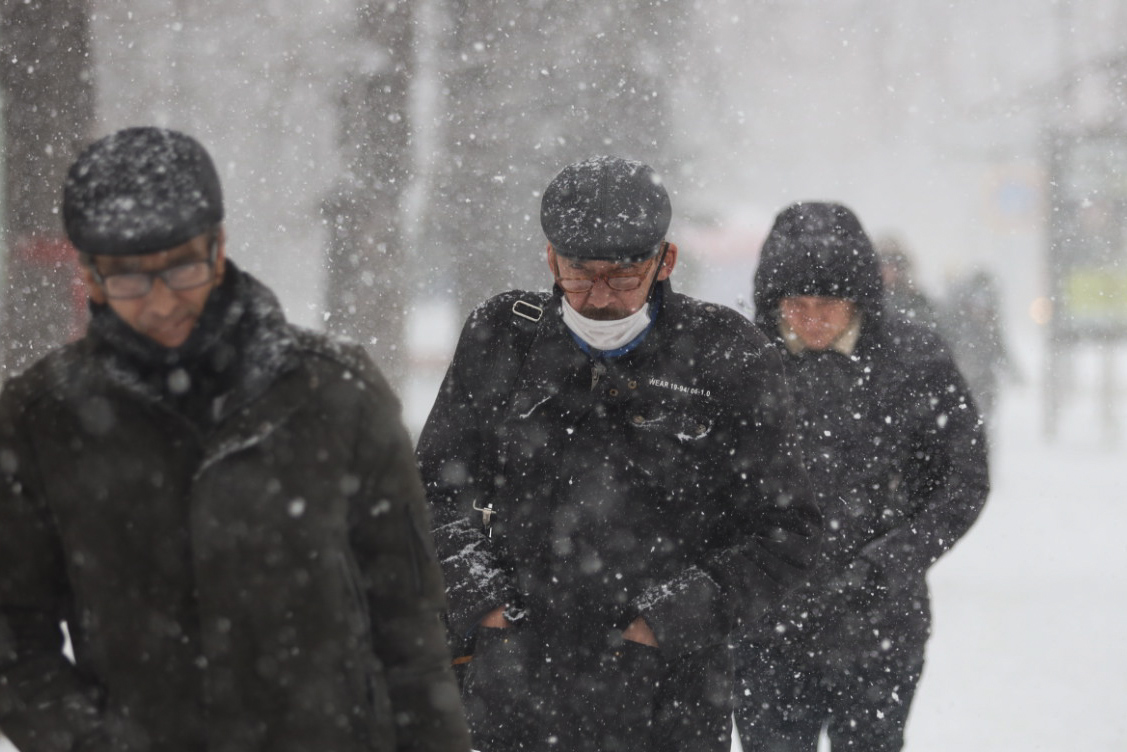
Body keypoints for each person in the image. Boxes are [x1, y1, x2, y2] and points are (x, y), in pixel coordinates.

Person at [0, 127, 472, 752]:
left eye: (182, 267)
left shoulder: (337, 393)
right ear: (89, 275)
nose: (163, 301)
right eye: (130, 279)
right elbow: (14, 642)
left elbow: (410, 625)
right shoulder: (41, 420)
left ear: (218, 247)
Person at [415, 156, 822, 752]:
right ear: (552, 259)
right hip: (507, 691)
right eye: (580, 274)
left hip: (668, 701)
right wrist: (485, 607)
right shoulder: (503, 337)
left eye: (625, 277)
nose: (600, 298)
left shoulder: (726, 356)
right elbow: (429, 496)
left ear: (666, 261)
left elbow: (788, 532)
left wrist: (666, 622)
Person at [733, 202, 989, 752]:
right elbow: (701, 485)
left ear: (860, 301)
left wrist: (889, 561)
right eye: (795, 304)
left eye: (828, 304)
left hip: (880, 629)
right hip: (764, 631)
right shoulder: (740, 361)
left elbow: (962, 481)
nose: (811, 319)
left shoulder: (915, 361)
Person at [940, 269, 1019, 432]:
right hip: (972, 376)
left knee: (978, 418)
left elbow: (999, 347)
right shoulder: (963, 325)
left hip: (979, 377)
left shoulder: (974, 325)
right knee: (973, 417)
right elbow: (999, 348)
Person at [875, 234, 940, 330]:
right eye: (882, 262)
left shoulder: (916, 301)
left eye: (891, 262)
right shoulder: (870, 300)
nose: (886, 269)